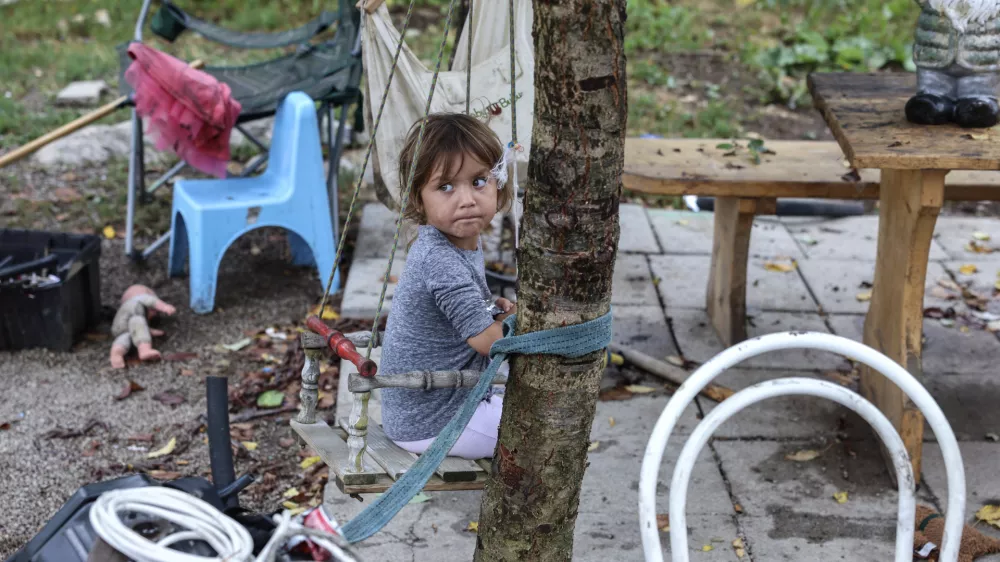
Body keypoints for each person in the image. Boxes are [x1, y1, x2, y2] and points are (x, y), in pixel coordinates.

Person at [378, 113, 515, 460]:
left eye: (479, 181)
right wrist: (533, 323)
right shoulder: (439, 259)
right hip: (435, 422)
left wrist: (491, 306)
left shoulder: (462, 237)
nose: (467, 199)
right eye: (446, 187)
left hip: (441, 403)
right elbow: (487, 341)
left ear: (498, 183)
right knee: (541, 430)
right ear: (418, 198)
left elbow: (461, 307)